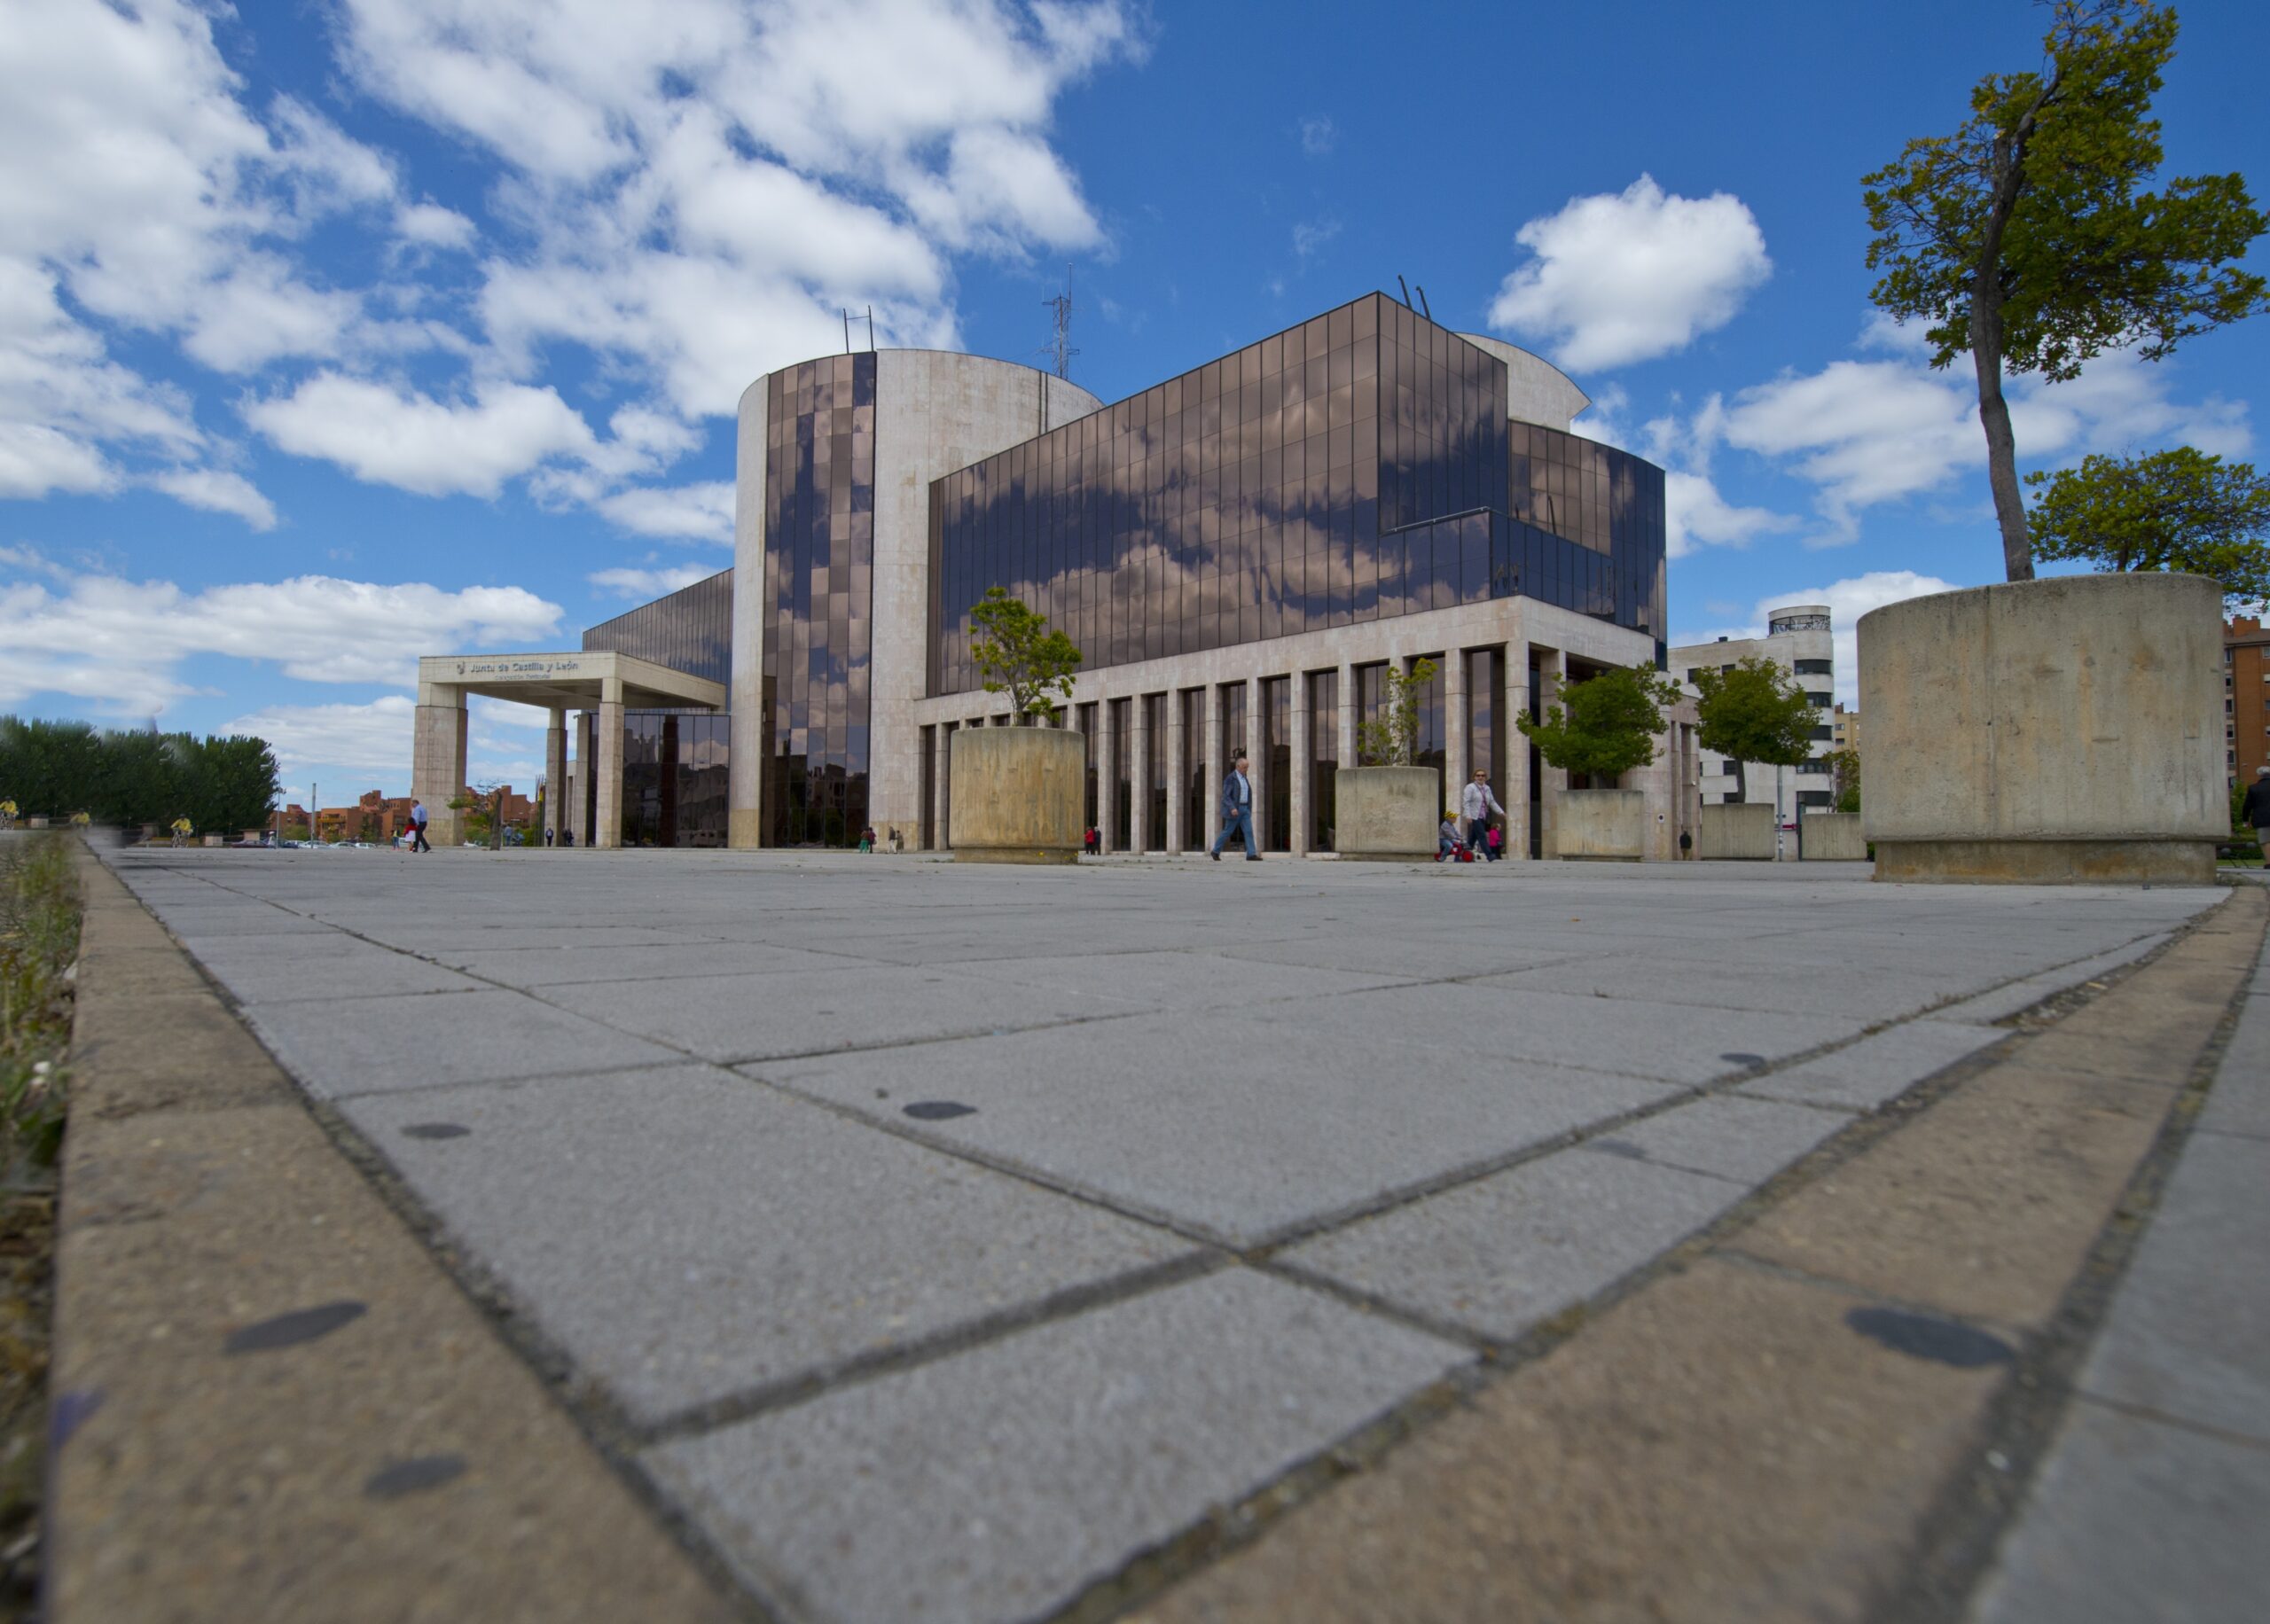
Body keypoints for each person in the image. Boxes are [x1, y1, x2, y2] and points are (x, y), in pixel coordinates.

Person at [1210, 752, 1261, 861]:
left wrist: (1248, 808)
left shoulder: (1244, 778)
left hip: (1245, 809)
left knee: (1248, 831)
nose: (1246, 769)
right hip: (1235, 810)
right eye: (1244, 767)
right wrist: (1232, 808)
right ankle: (1215, 851)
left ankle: (1251, 854)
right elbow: (1226, 796)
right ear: (1238, 766)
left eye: (1247, 767)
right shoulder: (1230, 779)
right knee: (1228, 831)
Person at [1461, 768, 1507, 861]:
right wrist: (1468, 815)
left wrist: (1501, 812)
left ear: (1485, 777)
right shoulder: (1470, 787)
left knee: (1474, 835)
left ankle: (1464, 851)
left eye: (1483, 775)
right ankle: (1489, 855)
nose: (1480, 777)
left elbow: (1492, 802)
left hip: (1482, 816)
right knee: (1482, 834)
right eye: (1478, 775)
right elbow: (1466, 802)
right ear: (1474, 777)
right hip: (1474, 816)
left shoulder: (1487, 788)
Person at [2245, 766, 2270, 856]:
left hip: (2262, 819)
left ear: (2259, 775)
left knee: (2265, 841)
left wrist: (2245, 821)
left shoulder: (2253, 788)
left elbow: (2247, 806)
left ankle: (2269, 863)